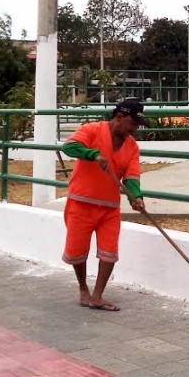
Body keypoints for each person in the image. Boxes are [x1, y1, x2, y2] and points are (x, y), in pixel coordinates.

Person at [60, 98, 147, 311]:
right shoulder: (92, 130)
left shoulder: (132, 146)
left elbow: (132, 177)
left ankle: (97, 296)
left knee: (109, 251)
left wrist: (136, 197)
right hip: (81, 202)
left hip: (109, 207)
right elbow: (69, 146)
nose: (135, 127)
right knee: (77, 251)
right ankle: (83, 289)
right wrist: (92, 154)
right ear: (119, 117)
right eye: (133, 122)